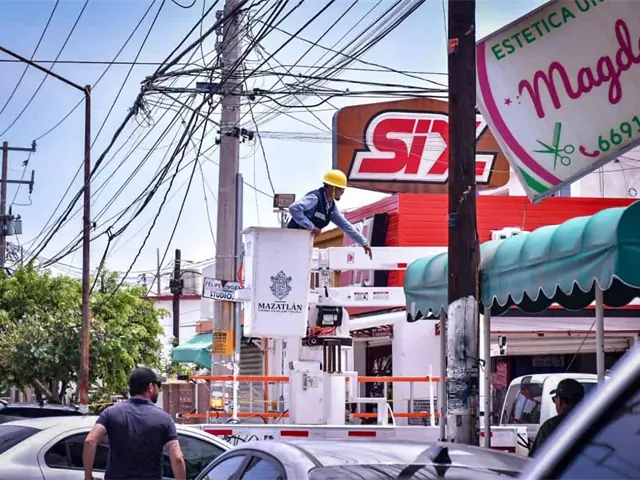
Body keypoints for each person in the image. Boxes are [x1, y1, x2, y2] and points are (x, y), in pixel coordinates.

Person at [83, 367, 186, 480]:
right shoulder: (165, 419)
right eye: (158, 385)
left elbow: (90, 441)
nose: (159, 389)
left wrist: (88, 477)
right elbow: (178, 459)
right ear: (151, 387)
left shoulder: (110, 413)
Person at [288, 169, 373, 259]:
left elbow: (346, 226)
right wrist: (311, 227)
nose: (342, 192)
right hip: (291, 239)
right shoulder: (315, 198)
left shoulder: (330, 207)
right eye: (340, 188)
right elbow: (294, 208)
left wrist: (364, 242)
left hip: (303, 242)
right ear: (331, 187)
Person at [528, 378, 585, 457]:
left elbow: (534, 460)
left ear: (560, 401)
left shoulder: (549, 426)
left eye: (554, 399)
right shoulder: (595, 423)